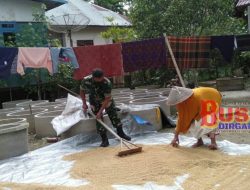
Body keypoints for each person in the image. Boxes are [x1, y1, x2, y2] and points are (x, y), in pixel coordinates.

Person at [80, 68, 131, 147]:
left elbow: (107, 99)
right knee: (99, 120)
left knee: (114, 115)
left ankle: (121, 134)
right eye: (98, 79)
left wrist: (101, 112)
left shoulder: (107, 83)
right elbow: (82, 91)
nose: (101, 80)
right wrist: (84, 103)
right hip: (94, 101)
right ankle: (104, 140)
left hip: (106, 100)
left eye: (102, 78)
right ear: (93, 78)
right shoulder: (86, 81)